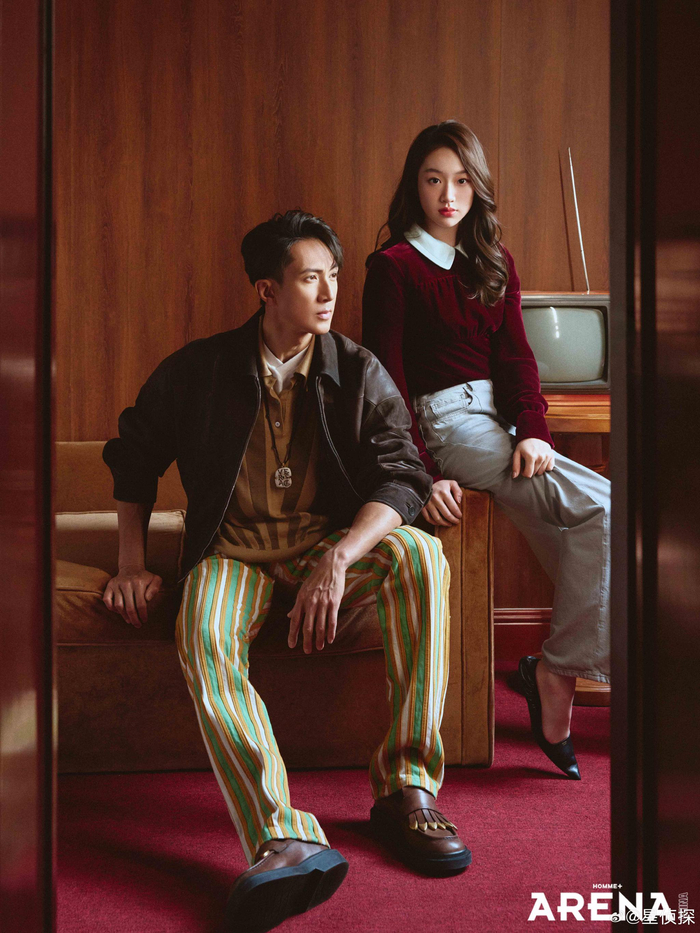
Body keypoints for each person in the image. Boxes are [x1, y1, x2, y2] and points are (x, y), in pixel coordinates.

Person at [101, 210, 471, 933]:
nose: (329, 293)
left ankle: (408, 789)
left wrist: (339, 555)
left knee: (422, 554)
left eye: (333, 276)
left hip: (322, 545)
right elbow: (134, 455)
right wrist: (130, 564)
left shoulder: (357, 370)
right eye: (310, 278)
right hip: (232, 553)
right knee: (201, 627)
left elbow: (403, 474)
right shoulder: (200, 369)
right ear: (268, 290)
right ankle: (282, 834)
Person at [362, 120, 610, 782]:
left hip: (499, 421)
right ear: (414, 186)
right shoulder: (393, 268)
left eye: (462, 181)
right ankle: (558, 673)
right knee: (609, 512)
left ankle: (556, 668)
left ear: (478, 188)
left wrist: (533, 428)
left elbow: (517, 358)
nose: (448, 195)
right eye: (433, 180)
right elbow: (385, 383)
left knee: (582, 533)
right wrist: (420, 473)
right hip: (447, 425)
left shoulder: (493, 260)